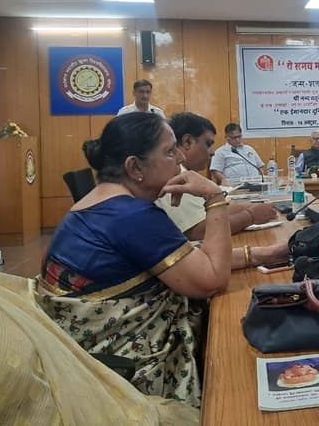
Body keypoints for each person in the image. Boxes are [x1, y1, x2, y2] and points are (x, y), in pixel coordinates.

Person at [35, 113, 288, 408]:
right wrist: (214, 198)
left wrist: (262, 254)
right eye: (169, 151)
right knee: (240, 347)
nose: (180, 157)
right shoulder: (132, 216)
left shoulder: (99, 203)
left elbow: (185, 258)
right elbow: (212, 279)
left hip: (77, 356)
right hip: (124, 373)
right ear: (135, 167)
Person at [156, 112, 277, 240]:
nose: (212, 152)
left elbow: (213, 211)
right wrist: (250, 216)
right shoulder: (175, 174)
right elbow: (198, 231)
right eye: (208, 144)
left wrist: (251, 206)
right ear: (187, 142)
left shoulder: (186, 173)